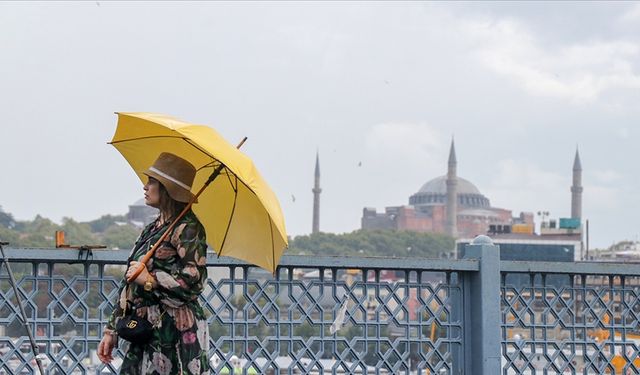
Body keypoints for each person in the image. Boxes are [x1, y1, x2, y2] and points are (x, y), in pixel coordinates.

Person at [98, 152, 210, 375]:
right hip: (143, 327)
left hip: (175, 330)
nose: (145, 187)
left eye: (152, 182)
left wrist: (151, 281)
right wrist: (111, 330)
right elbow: (129, 281)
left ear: (168, 189)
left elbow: (194, 282)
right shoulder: (152, 229)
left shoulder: (188, 228)